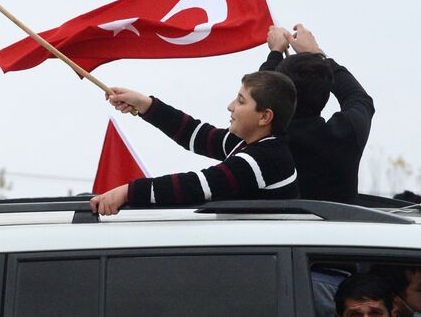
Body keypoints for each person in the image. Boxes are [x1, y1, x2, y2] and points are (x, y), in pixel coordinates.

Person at [91, 71, 300, 214]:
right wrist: (146, 104)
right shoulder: (256, 144)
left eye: (241, 101)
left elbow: (196, 185)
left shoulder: (261, 160)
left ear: (264, 117)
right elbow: (196, 135)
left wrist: (128, 192)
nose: (230, 106)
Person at [260, 23, 375, 203]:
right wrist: (317, 53)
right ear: (326, 93)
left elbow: (258, 99)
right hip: (340, 222)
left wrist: (275, 54)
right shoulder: (345, 134)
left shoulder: (265, 139)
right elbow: (358, 97)